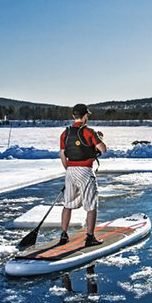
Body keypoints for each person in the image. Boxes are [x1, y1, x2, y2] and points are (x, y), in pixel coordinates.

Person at [59, 104, 107, 247]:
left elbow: (62, 154)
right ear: (85, 116)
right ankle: (90, 237)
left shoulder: (65, 133)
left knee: (68, 204)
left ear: (74, 116)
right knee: (91, 204)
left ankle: (63, 235)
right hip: (85, 170)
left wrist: (68, 170)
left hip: (70, 171)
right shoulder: (89, 132)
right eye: (87, 115)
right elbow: (103, 149)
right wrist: (98, 138)